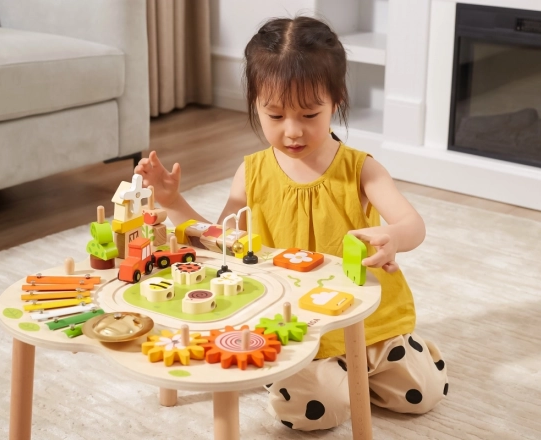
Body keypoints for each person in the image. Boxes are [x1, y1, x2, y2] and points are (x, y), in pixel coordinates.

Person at [135, 15, 448, 431]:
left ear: (336, 101)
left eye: (309, 114)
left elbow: (413, 224)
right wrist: (173, 201)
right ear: (255, 106)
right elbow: (220, 241)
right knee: (320, 413)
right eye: (276, 115)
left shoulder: (361, 169)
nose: (293, 131)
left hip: (365, 321)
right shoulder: (252, 172)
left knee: (422, 395)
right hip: (292, 320)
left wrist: (392, 237)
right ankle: (313, 374)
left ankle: (375, 362)